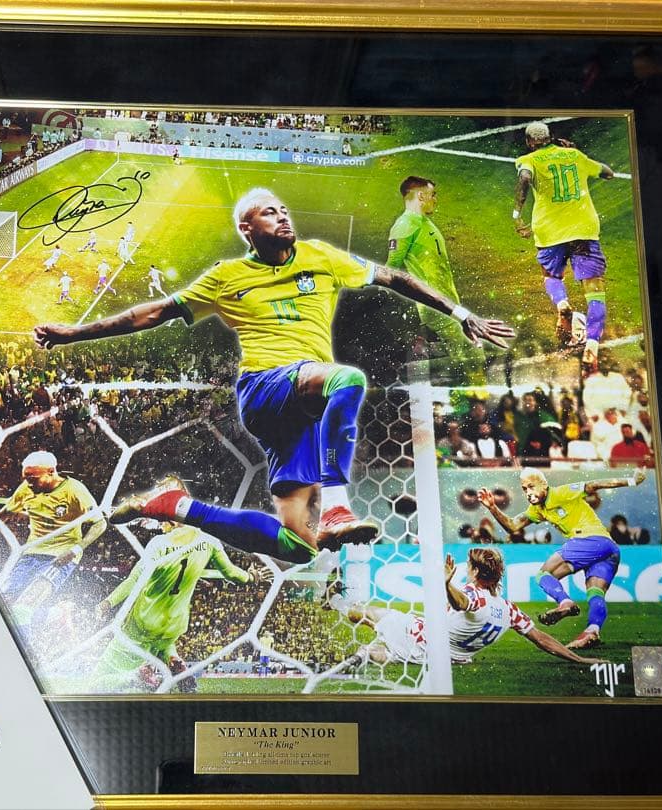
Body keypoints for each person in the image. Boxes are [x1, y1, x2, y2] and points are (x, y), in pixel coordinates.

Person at [34, 189, 514, 563]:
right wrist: (73, 334)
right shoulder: (226, 277)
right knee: (347, 380)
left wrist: (461, 313)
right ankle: (338, 505)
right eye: (269, 212)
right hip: (266, 388)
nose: (283, 216)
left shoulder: (321, 256)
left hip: (301, 410)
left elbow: (396, 278)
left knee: (299, 545)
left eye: (284, 210)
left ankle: (177, 506)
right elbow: (151, 313)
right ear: (247, 229)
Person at [328, 547, 603, 667]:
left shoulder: (473, 595)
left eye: (469, 566)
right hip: (449, 659)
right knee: (389, 652)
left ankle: (336, 604)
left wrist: (447, 584)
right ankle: (363, 656)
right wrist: (580, 660)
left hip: (423, 638)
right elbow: (542, 639)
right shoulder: (510, 610)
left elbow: (462, 603)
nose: (468, 569)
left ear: (474, 571)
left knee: (372, 613)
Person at [476, 467, 647, 649]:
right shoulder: (537, 509)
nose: (528, 492)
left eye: (531, 486)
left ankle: (565, 603)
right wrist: (493, 508)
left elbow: (594, 485)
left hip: (589, 539)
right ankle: (592, 631)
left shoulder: (561, 493)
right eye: (524, 489)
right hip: (609, 549)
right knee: (595, 593)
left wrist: (632, 481)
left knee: (543, 575)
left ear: (543, 484)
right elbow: (512, 526)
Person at [93, 520, 270, 692]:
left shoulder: (159, 543)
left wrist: (108, 602)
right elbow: (231, 573)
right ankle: (173, 658)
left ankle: (135, 677)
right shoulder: (209, 540)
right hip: (174, 624)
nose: (161, 526)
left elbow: (135, 579)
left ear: (174, 520)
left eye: (162, 521)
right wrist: (252, 577)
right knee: (164, 644)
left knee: (95, 682)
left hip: (144, 621)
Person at [513, 122, 615, 367]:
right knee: (595, 290)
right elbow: (608, 173)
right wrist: (575, 155)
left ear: (529, 142)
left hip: (550, 233)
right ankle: (592, 345)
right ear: (551, 137)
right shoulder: (575, 155)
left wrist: (517, 213)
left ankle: (562, 303)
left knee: (552, 276)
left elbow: (525, 177)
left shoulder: (527, 160)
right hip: (584, 231)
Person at [0, 451, 106, 638]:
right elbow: (3, 514)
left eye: (33, 478)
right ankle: (57, 614)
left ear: (51, 471)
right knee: (2, 604)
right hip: (31, 554)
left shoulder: (75, 490)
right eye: (26, 478)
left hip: (60, 558)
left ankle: (20, 650)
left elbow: (100, 523)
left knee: (22, 608)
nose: (29, 483)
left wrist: (75, 549)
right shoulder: (27, 488)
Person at [387, 176, 487, 384]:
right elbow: (391, 268)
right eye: (433, 195)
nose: (435, 199)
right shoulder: (404, 225)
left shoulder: (423, 221)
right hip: (435, 305)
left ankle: (469, 391)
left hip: (448, 302)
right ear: (420, 196)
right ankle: (476, 397)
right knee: (472, 356)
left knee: (468, 354)